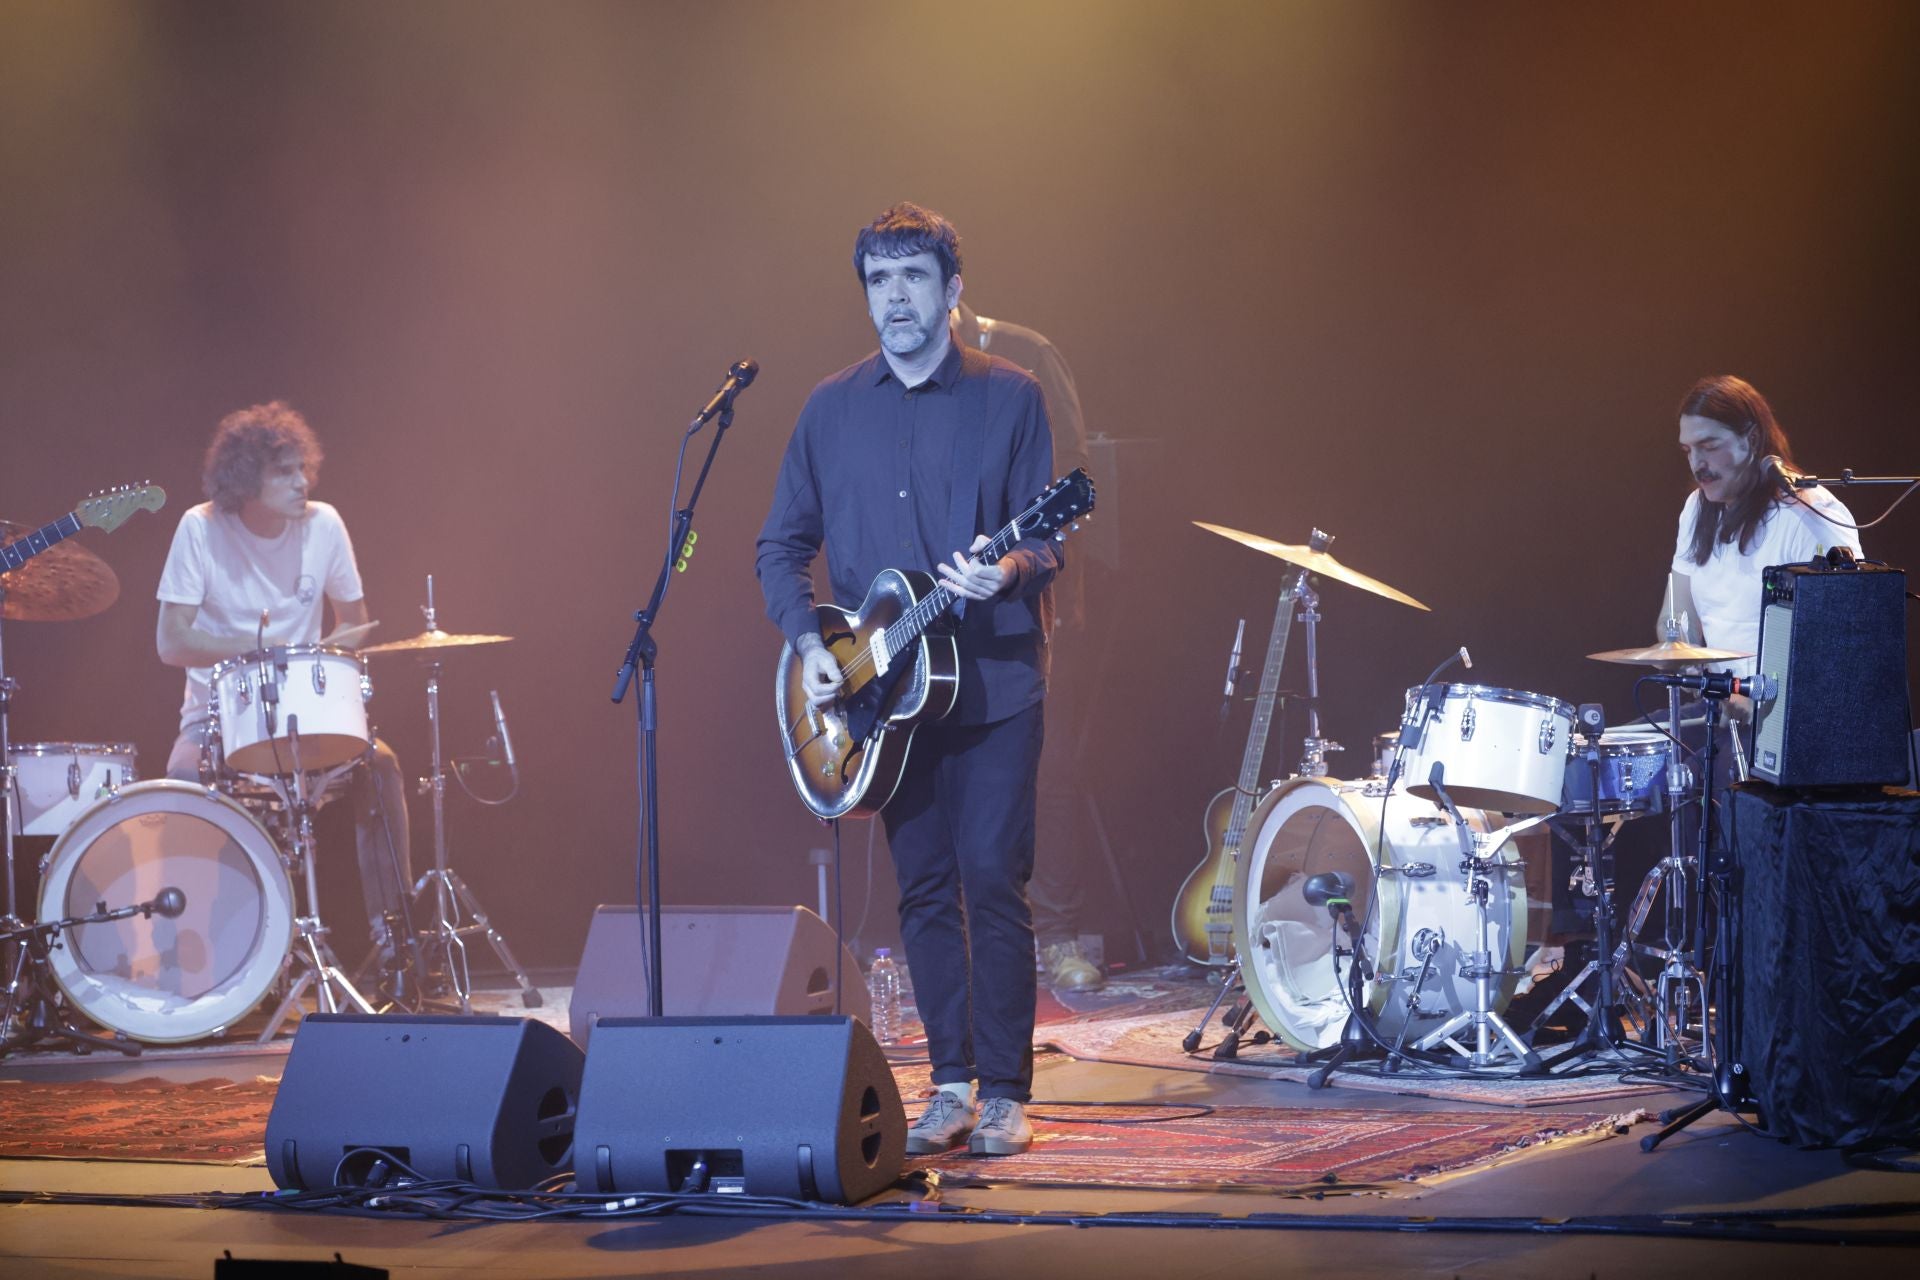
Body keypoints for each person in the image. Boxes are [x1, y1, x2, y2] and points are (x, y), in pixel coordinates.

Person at [757, 204, 1064, 1156]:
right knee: (924, 888)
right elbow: (781, 546)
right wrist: (807, 639)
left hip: (996, 685)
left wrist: (1004, 569)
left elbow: (1046, 537)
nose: (895, 298)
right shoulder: (829, 408)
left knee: (990, 877)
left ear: (953, 292)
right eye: (879, 281)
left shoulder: (1011, 397)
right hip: (883, 701)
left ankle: (1009, 1093)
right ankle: (954, 1085)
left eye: (913, 279)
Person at [155, 401, 416, 1000]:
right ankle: (193, 965)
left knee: (382, 767)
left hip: (307, 710)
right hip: (217, 716)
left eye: (304, 469)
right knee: (179, 776)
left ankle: (397, 950)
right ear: (246, 480)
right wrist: (257, 646)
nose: (304, 483)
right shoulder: (200, 528)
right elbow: (171, 642)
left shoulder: (324, 524)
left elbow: (357, 623)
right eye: (285, 473)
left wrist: (313, 662)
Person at [953, 301, 1105, 994]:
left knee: (1048, 769)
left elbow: (1070, 476)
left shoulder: (1026, 357)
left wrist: (1014, 559)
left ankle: (1060, 932)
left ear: (951, 297)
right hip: (941, 603)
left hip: (1026, 599)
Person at [1671, 375, 1861, 674]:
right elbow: (1675, 613)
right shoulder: (1696, 508)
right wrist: (1688, 664)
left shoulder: (1809, 513)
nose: (1697, 464)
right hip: (1720, 706)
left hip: (1783, 713)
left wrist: (1754, 698)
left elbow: (1846, 637)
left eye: (1708, 446)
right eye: (1688, 451)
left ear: (1752, 440)